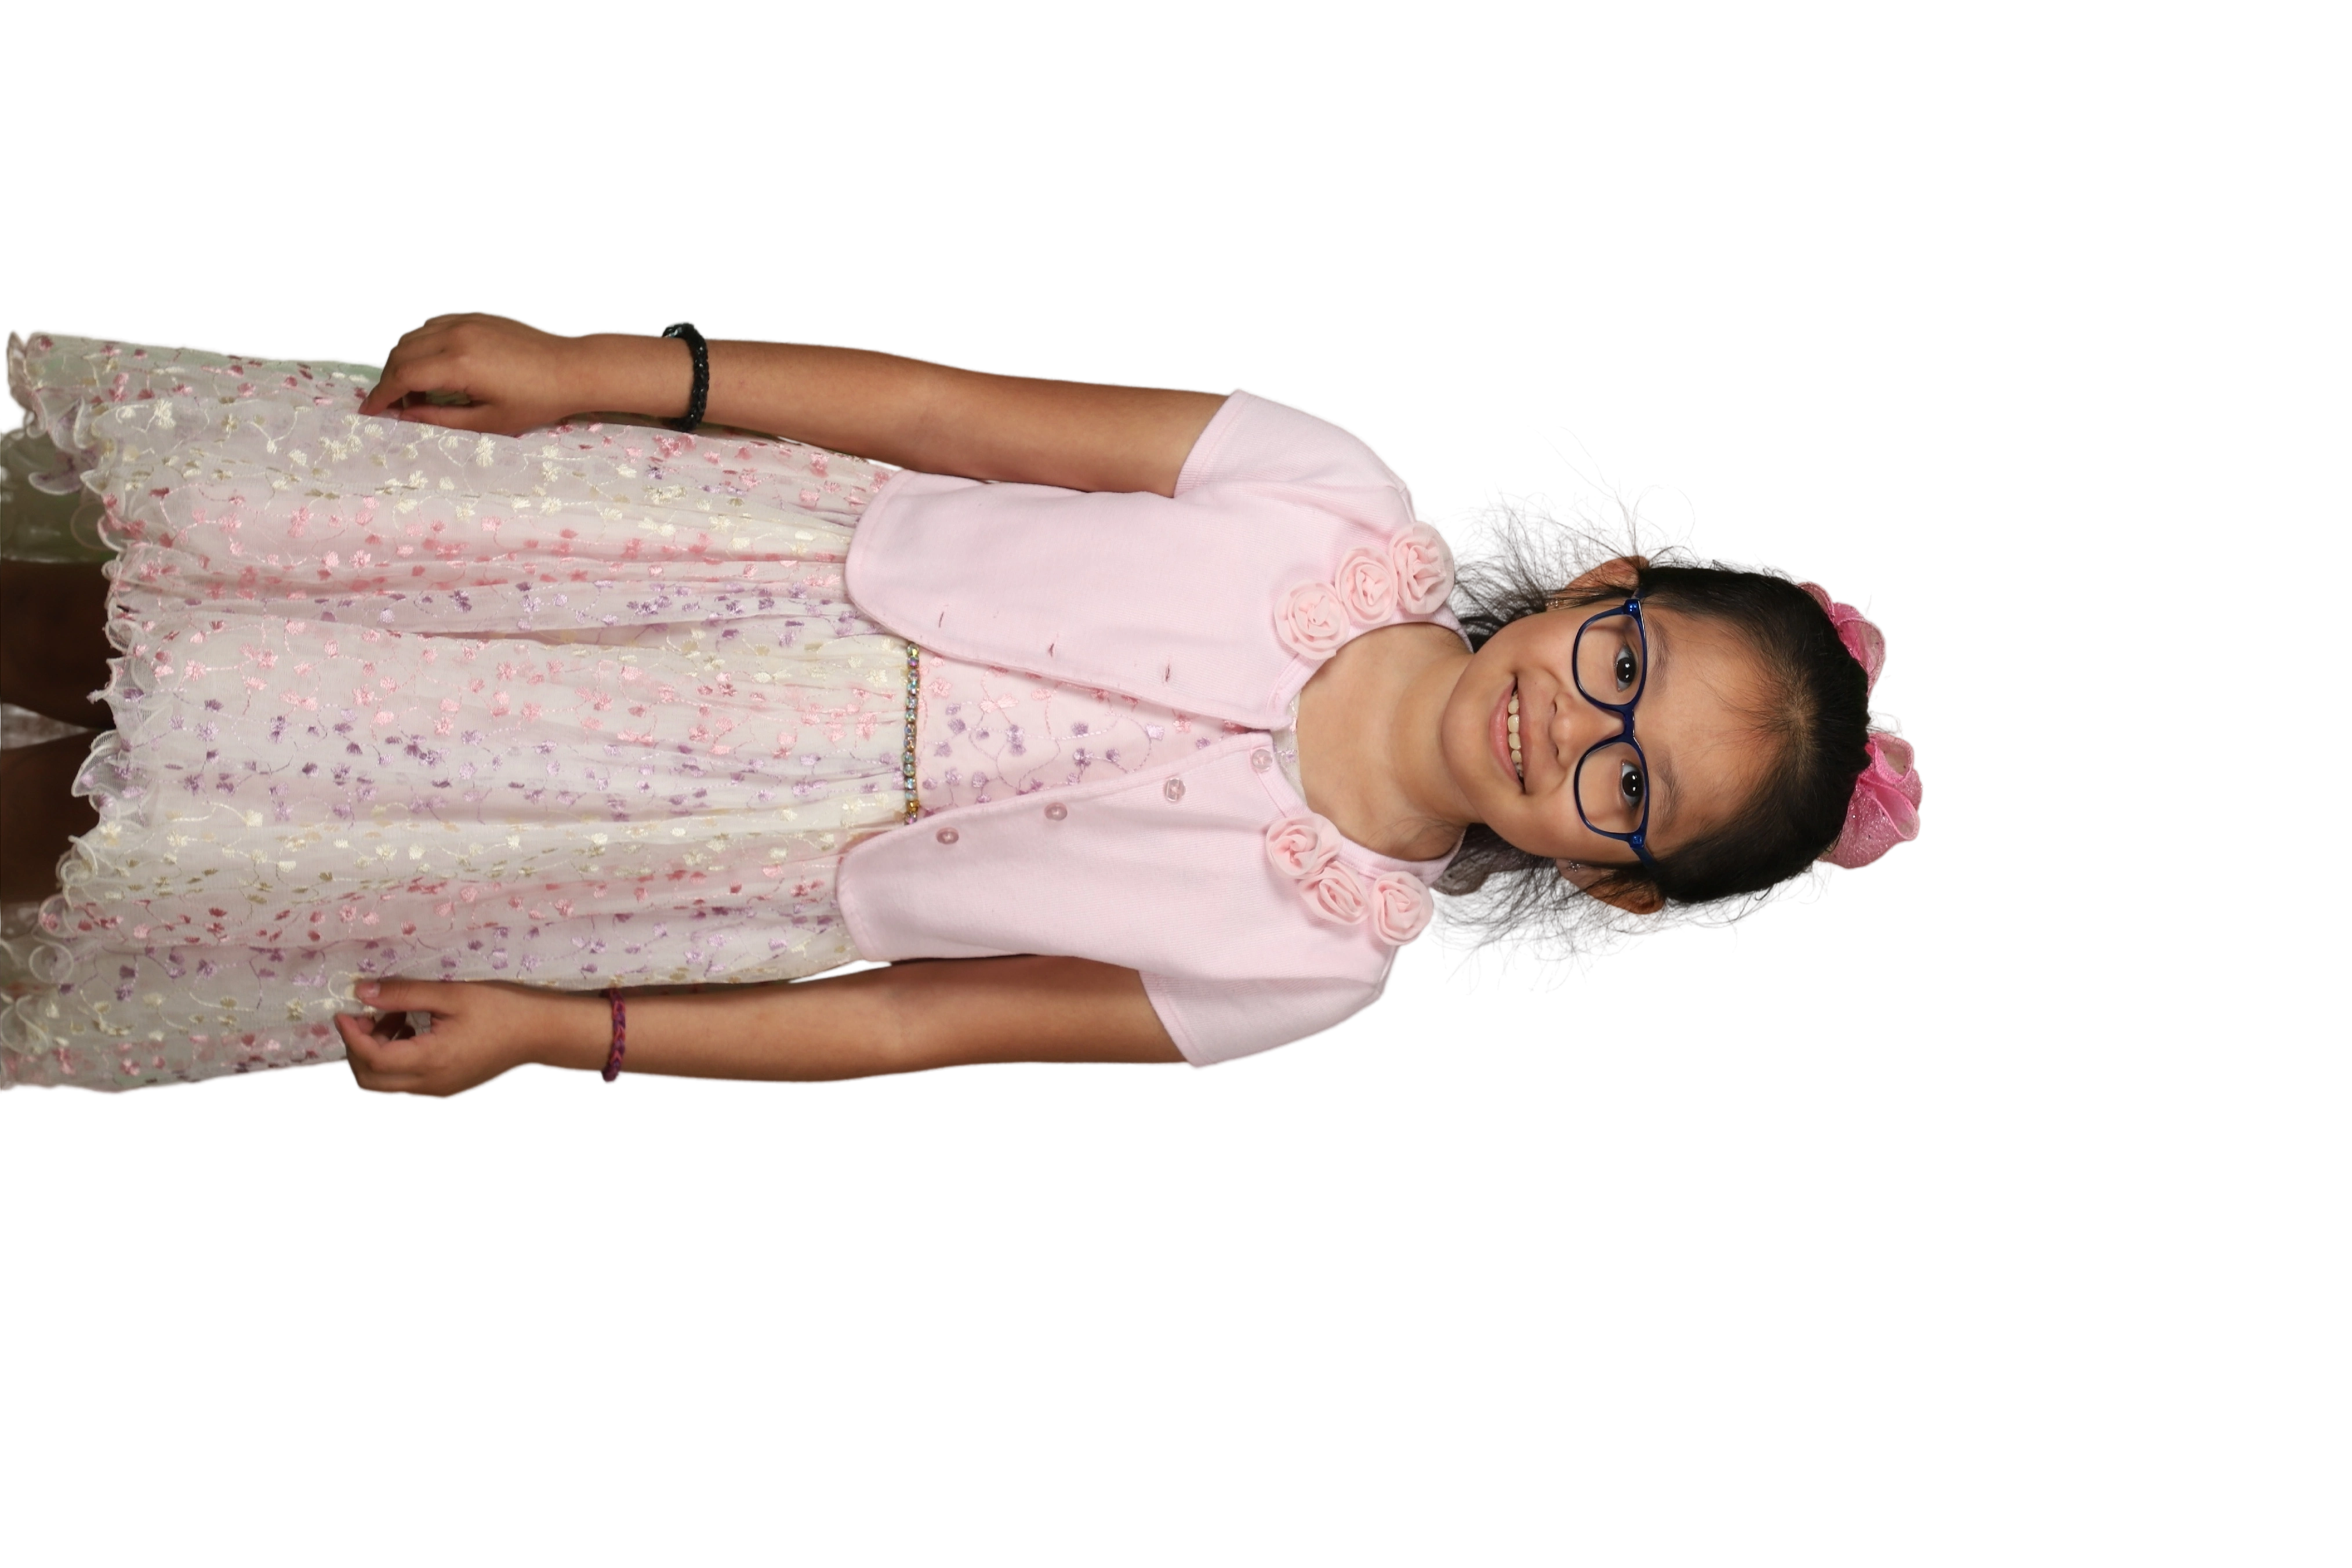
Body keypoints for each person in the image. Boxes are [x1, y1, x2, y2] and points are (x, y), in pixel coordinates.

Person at [0, 313, 1925, 1099]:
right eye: (1623, 671)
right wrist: (601, 368)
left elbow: (915, 1022)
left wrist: (565, 1033)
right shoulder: (1327, 490)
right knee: (146, 615)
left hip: (666, 841)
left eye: (1628, 789)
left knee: (158, 813)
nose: (1572, 731)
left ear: (1610, 882)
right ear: (1601, 586)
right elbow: (940, 415)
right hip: (697, 566)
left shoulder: (1306, 968)